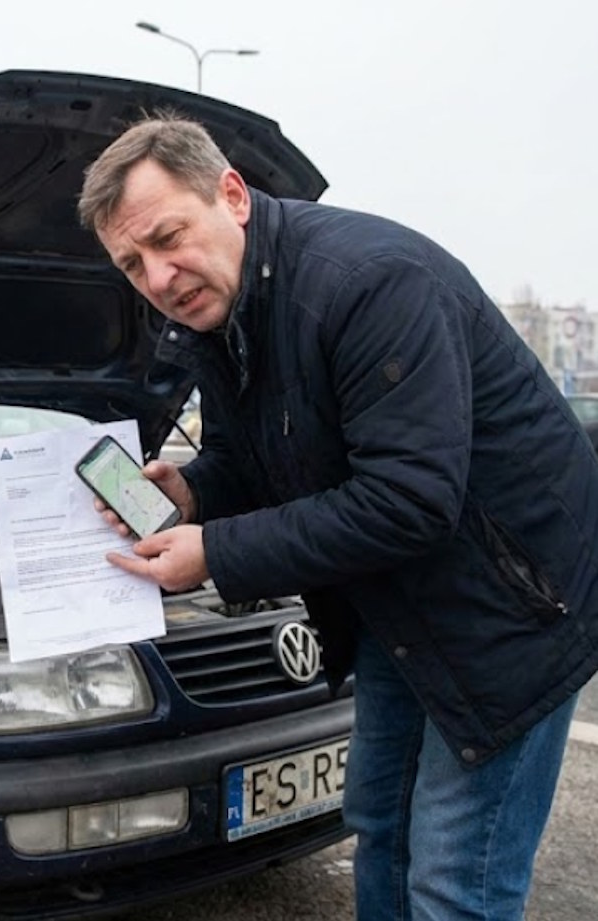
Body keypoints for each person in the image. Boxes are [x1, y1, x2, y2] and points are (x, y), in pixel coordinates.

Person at [77, 114, 598, 921]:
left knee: (456, 877)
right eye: (132, 263)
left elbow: (410, 500)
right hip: (398, 602)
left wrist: (211, 550)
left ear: (232, 196)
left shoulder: (370, 283)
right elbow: (258, 460)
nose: (158, 275)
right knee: (381, 828)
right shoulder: (223, 315)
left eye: (168, 236)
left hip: (512, 606)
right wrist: (192, 492)